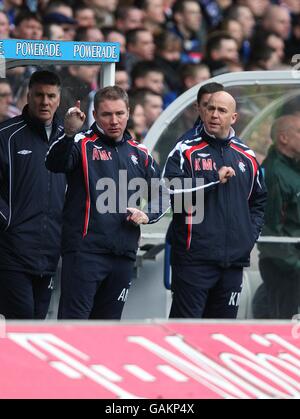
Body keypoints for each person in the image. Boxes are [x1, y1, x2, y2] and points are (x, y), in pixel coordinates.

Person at [46, 86, 166, 320]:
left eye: (119, 114)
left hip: (123, 255)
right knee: (74, 326)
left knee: (108, 330)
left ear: (129, 112)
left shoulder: (139, 152)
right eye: (106, 114)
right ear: (95, 115)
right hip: (84, 254)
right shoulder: (80, 143)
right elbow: (54, 163)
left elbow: (162, 195)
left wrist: (147, 214)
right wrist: (68, 133)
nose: (114, 120)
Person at [163, 91, 267, 319]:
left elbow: (258, 202)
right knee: (185, 332)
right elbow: (170, 190)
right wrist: (212, 179)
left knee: (222, 332)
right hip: (194, 261)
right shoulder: (185, 150)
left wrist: (247, 237)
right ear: (202, 111)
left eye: (222, 110)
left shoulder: (247, 157)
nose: (215, 115)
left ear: (234, 118)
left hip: (232, 263)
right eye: (210, 108)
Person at [0, 70, 66, 319]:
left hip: (49, 252)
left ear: (59, 99)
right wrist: (7, 221)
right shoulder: (6, 136)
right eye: (39, 95)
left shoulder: (67, 138)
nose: (45, 101)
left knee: (37, 325)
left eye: (51, 96)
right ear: (28, 96)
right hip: (12, 252)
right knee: (23, 322)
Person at [257, 115, 300, 319]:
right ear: (284, 138)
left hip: (291, 263)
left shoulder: (293, 168)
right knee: (284, 322)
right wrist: (295, 265)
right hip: (284, 266)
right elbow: (271, 229)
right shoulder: (275, 173)